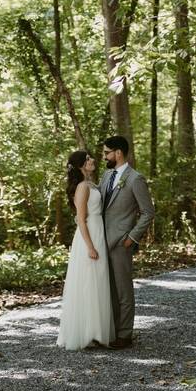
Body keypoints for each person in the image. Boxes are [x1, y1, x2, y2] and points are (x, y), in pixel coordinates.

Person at [99, 136, 155, 349]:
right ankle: (111, 331)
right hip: (102, 241)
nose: (104, 156)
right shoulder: (106, 176)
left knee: (123, 290)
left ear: (118, 153)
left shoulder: (135, 179)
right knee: (109, 289)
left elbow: (148, 212)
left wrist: (131, 238)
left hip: (121, 242)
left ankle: (124, 334)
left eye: (107, 152)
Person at [57, 150, 114, 350]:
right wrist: (90, 246)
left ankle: (97, 331)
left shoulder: (90, 184)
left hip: (98, 232)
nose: (92, 160)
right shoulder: (82, 187)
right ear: (81, 164)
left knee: (98, 281)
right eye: (88, 159)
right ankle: (88, 332)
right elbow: (81, 219)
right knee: (89, 283)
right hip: (88, 236)